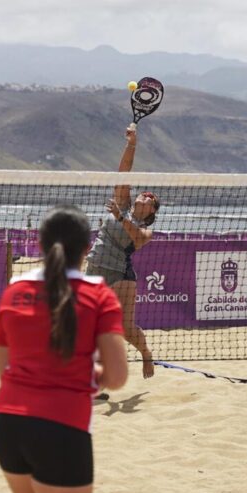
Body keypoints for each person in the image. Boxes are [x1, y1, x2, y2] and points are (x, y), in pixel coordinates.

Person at [0, 204, 128, 493]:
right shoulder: (98, 295)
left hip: (7, 425)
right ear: (88, 247)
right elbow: (118, 377)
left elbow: (4, 371)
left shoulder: (14, 291)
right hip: (61, 428)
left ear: (40, 244)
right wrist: (88, 374)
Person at [85, 124, 160, 378]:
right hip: (95, 265)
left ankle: (146, 354)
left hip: (121, 275)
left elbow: (137, 238)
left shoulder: (145, 230)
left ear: (151, 212)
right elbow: (124, 171)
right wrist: (131, 144)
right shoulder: (123, 203)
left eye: (152, 198)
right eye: (145, 193)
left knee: (126, 330)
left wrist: (119, 218)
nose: (146, 196)